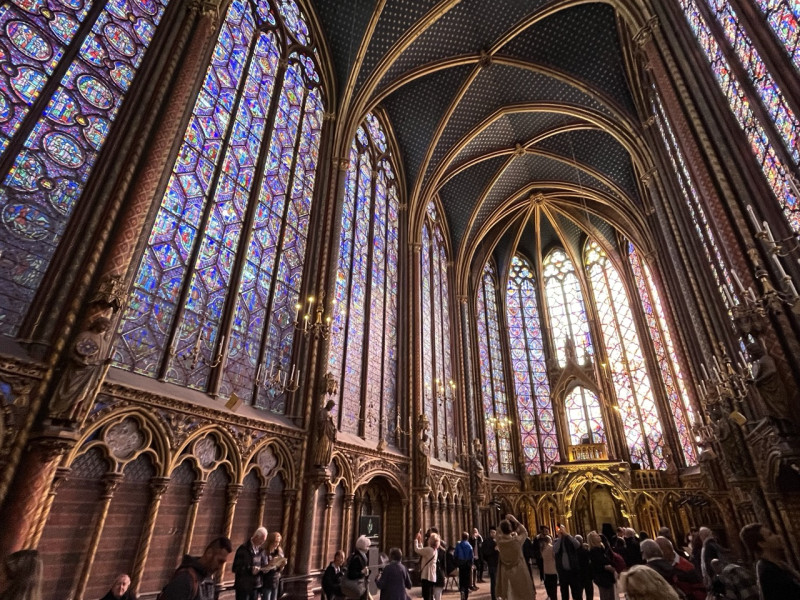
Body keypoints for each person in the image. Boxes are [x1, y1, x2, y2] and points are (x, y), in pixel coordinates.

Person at [739, 522, 800, 599]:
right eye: (770, 535)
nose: (778, 536)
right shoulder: (767, 571)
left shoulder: (780, 565)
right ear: (761, 544)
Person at [159, 537, 233, 600]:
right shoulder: (185, 579)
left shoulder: (208, 579)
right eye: (220, 561)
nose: (220, 567)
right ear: (209, 553)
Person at [495, 514, 535, 600]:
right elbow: (525, 532)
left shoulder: (500, 542)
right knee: (520, 593)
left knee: (508, 594)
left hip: (505, 572)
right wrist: (515, 520)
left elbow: (497, 533)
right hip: (518, 570)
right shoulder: (516, 541)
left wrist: (502, 523)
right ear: (510, 529)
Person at [232, 527, 268, 600]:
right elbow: (235, 568)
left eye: (264, 541)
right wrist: (250, 569)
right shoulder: (243, 549)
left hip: (256, 586)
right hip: (243, 587)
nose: (262, 543)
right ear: (256, 537)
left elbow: (264, 564)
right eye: (262, 540)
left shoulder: (261, 550)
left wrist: (266, 568)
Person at [552, 524, 581, 600]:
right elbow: (555, 549)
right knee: (564, 593)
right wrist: (560, 538)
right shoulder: (556, 541)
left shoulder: (570, 539)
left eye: (562, 529)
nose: (561, 531)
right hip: (563, 572)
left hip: (573, 571)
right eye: (559, 530)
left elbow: (577, 545)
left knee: (576, 592)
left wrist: (567, 535)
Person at [587, 532, 616, 600]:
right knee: (606, 597)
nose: (599, 536)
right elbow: (595, 566)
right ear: (592, 539)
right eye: (596, 536)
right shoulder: (593, 551)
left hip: (608, 577)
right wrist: (605, 567)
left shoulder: (601, 548)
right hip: (602, 578)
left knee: (611, 596)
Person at [414, 530, 440, 600]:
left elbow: (417, 550)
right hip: (432, 576)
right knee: (430, 595)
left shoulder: (429, 550)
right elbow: (423, 550)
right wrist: (420, 541)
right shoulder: (435, 550)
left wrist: (416, 539)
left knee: (426, 596)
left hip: (426, 576)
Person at [346, 535, 371, 600]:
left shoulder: (362, 556)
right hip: (356, 588)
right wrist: (362, 572)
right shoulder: (357, 558)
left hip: (361, 586)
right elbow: (351, 574)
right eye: (367, 546)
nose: (368, 549)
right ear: (362, 546)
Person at [262, 532, 286, 600]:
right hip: (267, 580)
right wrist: (270, 563)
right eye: (275, 542)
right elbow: (263, 569)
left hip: (276, 580)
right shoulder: (265, 552)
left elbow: (280, 570)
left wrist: (282, 565)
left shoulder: (279, 552)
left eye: (278, 542)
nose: (277, 544)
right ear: (271, 541)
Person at [481, 526, 499, 600]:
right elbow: (484, 552)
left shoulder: (499, 540)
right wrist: (494, 550)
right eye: (491, 532)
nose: (493, 534)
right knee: (493, 581)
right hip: (492, 564)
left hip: (499, 563)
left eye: (494, 532)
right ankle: (494, 597)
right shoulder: (486, 541)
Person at [455, 533, 474, 600]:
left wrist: (457, 562)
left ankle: (462, 590)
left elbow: (455, 554)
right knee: (467, 580)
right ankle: (465, 596)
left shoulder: (458, 545)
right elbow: (471, 556)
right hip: (467, 564)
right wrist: (471, 564)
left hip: (461, 564)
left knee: (461, 578)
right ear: (467, 537)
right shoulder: (469, 546)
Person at [573, 535, 593, 600]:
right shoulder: (586, 551)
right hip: (587, 575)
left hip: (578, 576)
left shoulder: (573, 553)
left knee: (578, 594)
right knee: (589, 593)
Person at [540, 536, 559, 600]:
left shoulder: (542, 549)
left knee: (550, 588)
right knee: (554, 589)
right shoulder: (551, 548)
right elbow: (555, 557)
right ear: (549, 540)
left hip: (546, 570)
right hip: (553, 570)